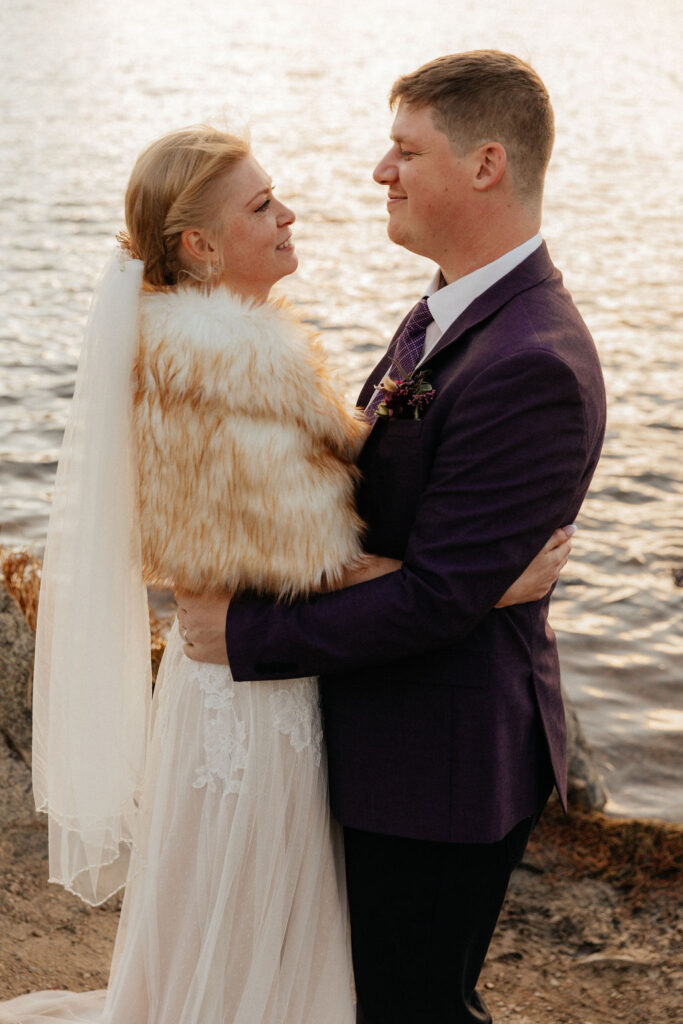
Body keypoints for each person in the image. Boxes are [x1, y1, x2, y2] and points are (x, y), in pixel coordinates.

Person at [0, 123, 567, 1024]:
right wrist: (487, 581)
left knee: (235, 921)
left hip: (237, 678)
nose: (288, 213)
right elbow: (306, 562)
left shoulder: (214, 349)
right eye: (262, 206)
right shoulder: (220, 366)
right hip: (252, 703)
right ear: (201, 244)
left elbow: (271, 555)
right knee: (252, 917)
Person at [178, 51, 607, 1024]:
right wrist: (453, 579)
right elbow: (406, 535)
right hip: (388, 742)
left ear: (484, 165)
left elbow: (431, 605)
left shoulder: (528, 363)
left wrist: (241, 636)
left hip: (441, 771)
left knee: (411, 1007)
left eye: (403, 150)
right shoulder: (446, 309)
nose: (380, 171)